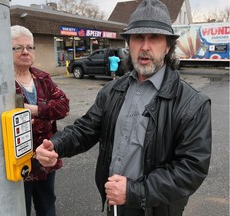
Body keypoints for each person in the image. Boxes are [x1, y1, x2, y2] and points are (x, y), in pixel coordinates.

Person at [34, 0, 212, 215]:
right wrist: (57, 145)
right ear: (128, 43)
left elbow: (191, 169)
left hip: (156, 208)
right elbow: (86, 129)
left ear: (167, 47)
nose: (145, 46)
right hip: (115, 203)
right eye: (138, 37)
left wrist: (135, 192)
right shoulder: (112, 90)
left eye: (154, 37)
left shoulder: (192, 103)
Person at [11, 25, 69, 216]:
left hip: (44, 156)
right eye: (18, 47)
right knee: (20, 208)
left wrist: (33, 110)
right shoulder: (1, 83)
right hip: (17, 160)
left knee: (47, 205)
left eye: (30, 47)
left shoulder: (42, 78)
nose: (25, 51)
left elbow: (63, 106)